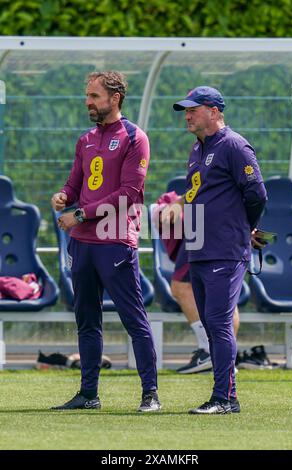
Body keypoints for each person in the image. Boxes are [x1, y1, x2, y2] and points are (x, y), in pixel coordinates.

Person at [51, 71, 160, 412]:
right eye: (87, 96)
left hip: (115, 242)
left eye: (95, 96)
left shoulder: (134, 137)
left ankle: (150, 395)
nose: (88, 102)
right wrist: (63, 195)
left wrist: (80, 214)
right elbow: (75, 184)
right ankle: (88, 394)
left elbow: (129, 195)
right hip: (82, 244)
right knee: (86, 319)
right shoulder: (85, 139)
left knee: (133, 319)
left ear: (115, 98)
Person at [173, 86, 267, 414]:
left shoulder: (234, 145)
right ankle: (223, 394)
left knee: (219, 322)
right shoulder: (196, 150)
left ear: (213, 112)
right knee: (212, 324)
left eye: (192, 109)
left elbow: (257, 194)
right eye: (185, 110)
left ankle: (226, 398)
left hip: (225, 249)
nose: (187, 115)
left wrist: (245, 229)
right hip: (200, 248)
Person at [158, 193, 240, 374]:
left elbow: (205, 185)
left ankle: (209, 351)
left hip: (205, 228)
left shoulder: (210, 165)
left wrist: (179, 203)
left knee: (181, 286)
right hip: (229, 226)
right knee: (224, 291)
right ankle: (226, 358)